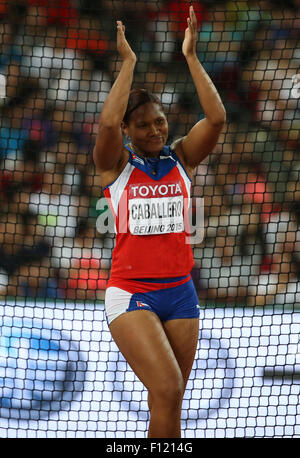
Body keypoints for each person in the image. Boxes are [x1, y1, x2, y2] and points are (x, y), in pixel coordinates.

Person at [93, 6, 226, 438]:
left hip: (181, 292)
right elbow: (107, 121)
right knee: (167, 388)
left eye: (160, 121)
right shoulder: (115, 166)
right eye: (145, 125)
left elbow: (218, 118)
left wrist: (191, 56)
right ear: (129, 131)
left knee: (169, 402)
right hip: (132, 293)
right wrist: (129, 62)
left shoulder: (182, 158)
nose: (156, 129)